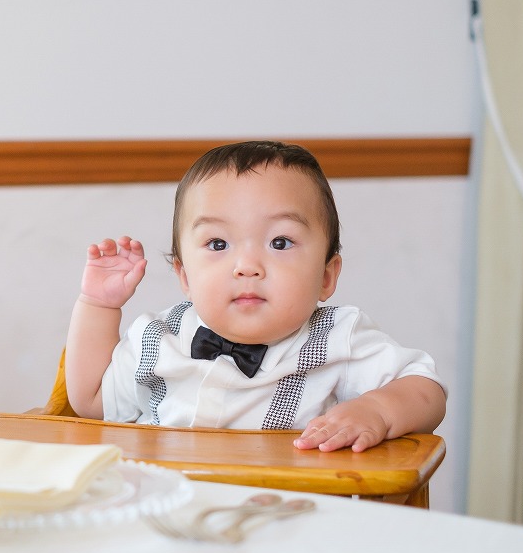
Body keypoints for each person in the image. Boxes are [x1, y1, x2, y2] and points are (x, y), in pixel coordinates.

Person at [64, 140, 446, 453]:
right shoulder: (157, 337)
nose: (247, 266)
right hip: (168, 509)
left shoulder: (336, 338)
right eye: (218, 243)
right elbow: (92, 402)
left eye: (280, 242)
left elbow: (425, 389)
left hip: (288, 513)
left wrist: (376, 410)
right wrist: (99, 305)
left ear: (326, 276)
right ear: (185, 276)